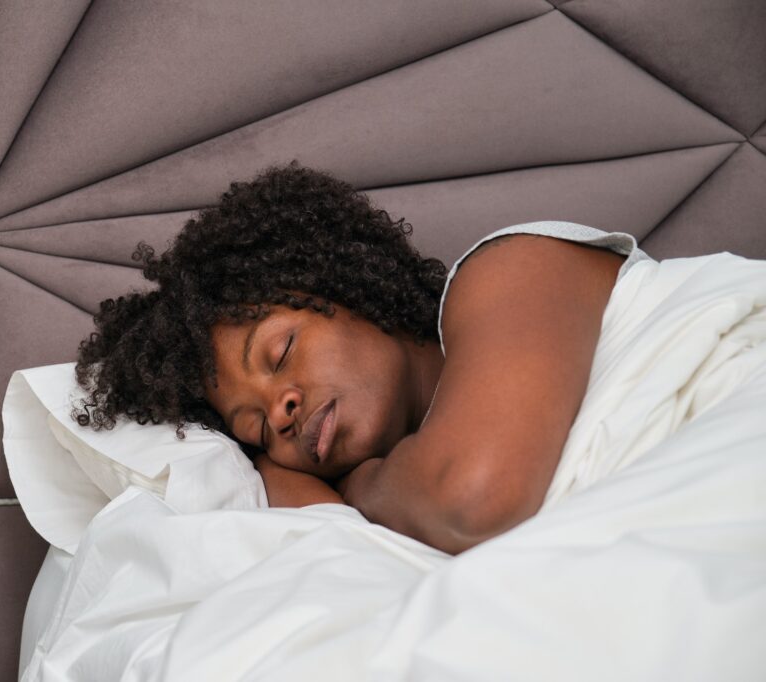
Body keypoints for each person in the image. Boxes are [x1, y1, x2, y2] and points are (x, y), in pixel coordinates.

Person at [73, 162, 635, 555]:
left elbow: (473, 501)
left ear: (348, 291)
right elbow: (324, 538)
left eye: (280, 352)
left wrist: (361, 487)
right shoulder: (398, 497)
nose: (281, 411)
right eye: (257, 430)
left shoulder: (513, 268)